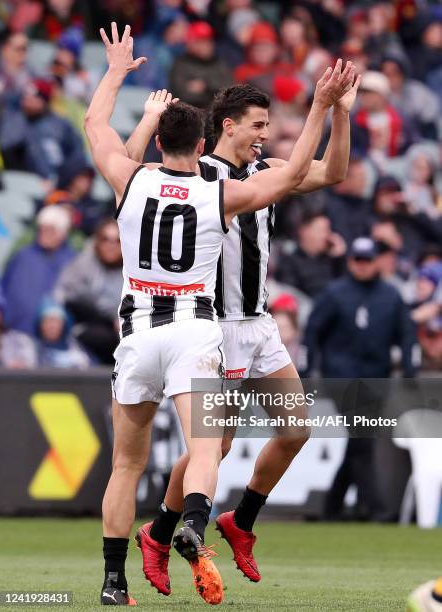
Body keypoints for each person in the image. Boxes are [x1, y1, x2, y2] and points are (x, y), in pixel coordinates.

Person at [85, 22, 354, 606]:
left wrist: (338, 113)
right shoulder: (206, 182)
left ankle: (236, 523)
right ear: (222, 129)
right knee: (215, 447)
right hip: (211, 328)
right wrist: (321, 105)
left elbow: (331, 173)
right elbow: (129, 165)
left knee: (295, 428)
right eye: (258, 125)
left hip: (255, 323)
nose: (265, 134)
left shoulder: (252, 172)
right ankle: (162, 534)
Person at [303, 237, 416, 520]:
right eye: (357, 260)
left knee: (359, 441)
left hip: (376, 378)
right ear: (350, 261)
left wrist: (409, 367)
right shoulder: (335, 293)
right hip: (341, 379)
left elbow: (406, 332)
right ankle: (374, 508)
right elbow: (312, 331)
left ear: (377, 260)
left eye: (367, 260)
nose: (362, 266)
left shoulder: (391, 295)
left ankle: (332, 506)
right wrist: (308, 368)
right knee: (362, 439)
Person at [53, 218, 123, 364]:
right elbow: (66, 297)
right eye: (106, 239)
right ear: (97, 242)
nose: (111, 245)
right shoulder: (82, 265)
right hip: (84, 329)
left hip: (125, 335)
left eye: (117, 240)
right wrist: (111, 318)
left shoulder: (135, 271)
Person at [0, 205, 75, 337]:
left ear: (62, 234)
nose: (44, 233)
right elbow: (2, 284)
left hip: (47, 336)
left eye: (51, 229)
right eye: (42, 228)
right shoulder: (24, 254)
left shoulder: (71, 261)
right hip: (9, 328)